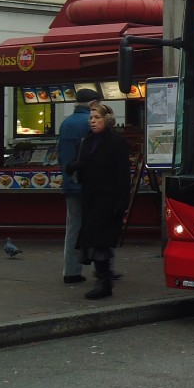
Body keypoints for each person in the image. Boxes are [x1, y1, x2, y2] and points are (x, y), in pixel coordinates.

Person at [68, 101, 131, 299]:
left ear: (107, 120)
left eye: (97, 118)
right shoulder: (86, 141)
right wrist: (75, 166)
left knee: (100, 241)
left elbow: (122, 173)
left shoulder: (116, 142)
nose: (93, 122)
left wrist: (122, 201)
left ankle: (103, 282)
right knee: (93, 240)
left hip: (108, 198)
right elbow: (83, 164)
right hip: (91, 197)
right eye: (91, 118)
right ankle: (103, 280)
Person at [56, 88, 97, 284]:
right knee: (99, 224)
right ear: (92, 104)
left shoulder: (66, 124)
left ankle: (71, 271)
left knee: (73, 226)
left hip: (69, 183)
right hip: (89, 184)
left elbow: (60, 155)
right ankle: (102, 267)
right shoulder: (91, 123)